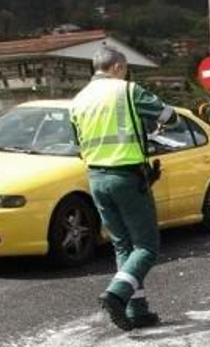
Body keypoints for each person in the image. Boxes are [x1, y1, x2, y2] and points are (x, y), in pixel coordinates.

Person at [71, 45, 179, 332]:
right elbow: (169, 116)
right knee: (147, 246)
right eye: (126, 67)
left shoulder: (78, 100)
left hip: (96, 178)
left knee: (124, 245)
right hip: (126, 177)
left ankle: (137, 309)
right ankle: (117, 295)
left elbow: (77, 141)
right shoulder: (127, 90)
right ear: (118, 67)